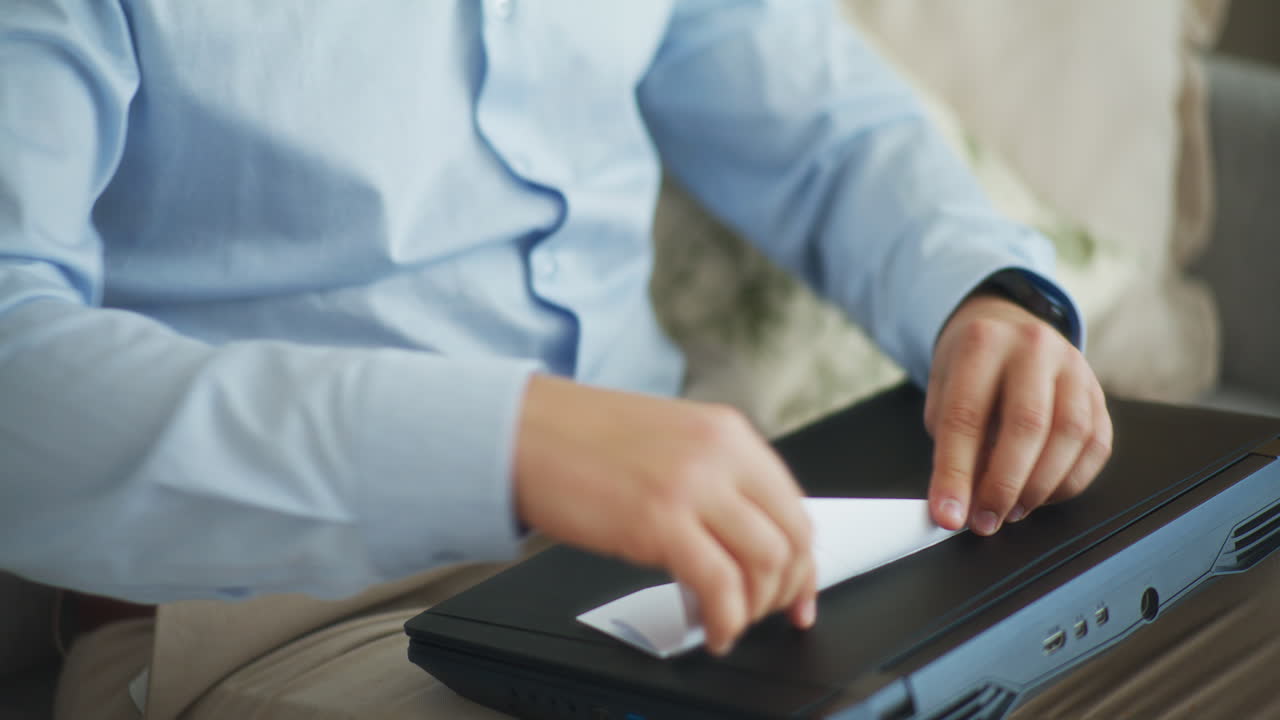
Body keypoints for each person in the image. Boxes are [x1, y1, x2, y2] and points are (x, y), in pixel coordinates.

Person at [0, 1, 1112, 717]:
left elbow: (817, 124)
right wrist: (505, 446)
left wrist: (985, 292)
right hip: (278, 616)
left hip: (700, 537)